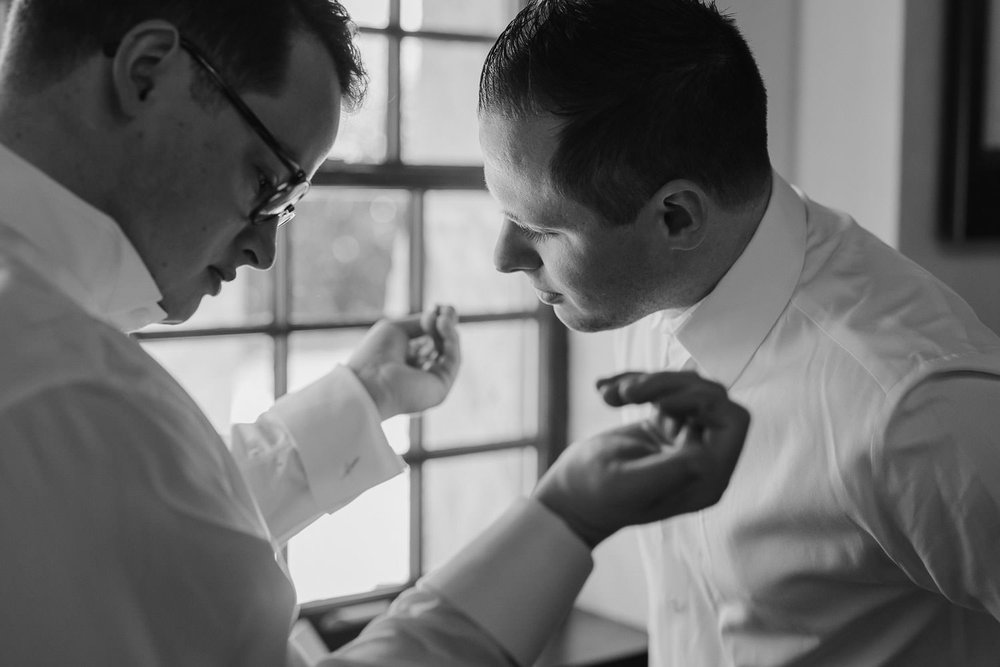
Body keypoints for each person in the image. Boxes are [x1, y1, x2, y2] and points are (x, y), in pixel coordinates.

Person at [0, 1, 752, 665]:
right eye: (269, 181)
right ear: (148, 71)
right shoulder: (75, 394)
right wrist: (564, 517)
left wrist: (363, 395)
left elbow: (140, 531)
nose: (263, 248)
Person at [478, 0, 1000, 665]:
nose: (503, 255)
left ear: (675, 218)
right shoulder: (657, 292)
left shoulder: (917, 410)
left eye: (543, 228)